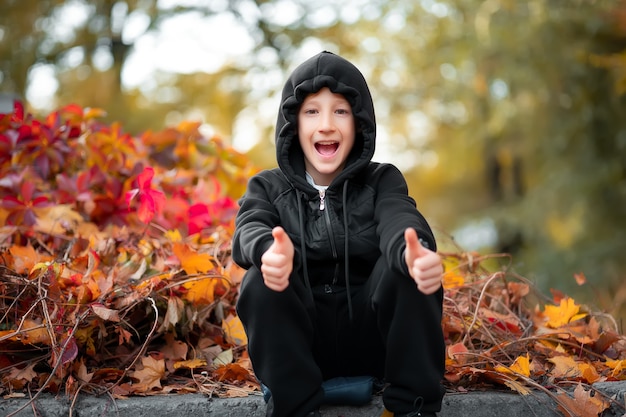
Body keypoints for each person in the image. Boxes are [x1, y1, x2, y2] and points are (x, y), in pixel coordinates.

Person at [232, 51, 445, 417]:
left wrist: (413, 252)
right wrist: (268, 251)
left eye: (341, 111)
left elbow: (400, 219)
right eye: (313, 111)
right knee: (259, 281)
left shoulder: (382, 180)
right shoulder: (267, 186)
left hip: (370, 341)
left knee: (406, 269)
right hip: (302, 345)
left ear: (359, 122)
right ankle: (294, 406)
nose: (327, 124)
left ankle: (415, 406)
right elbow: (248, 227)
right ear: (293, 125)